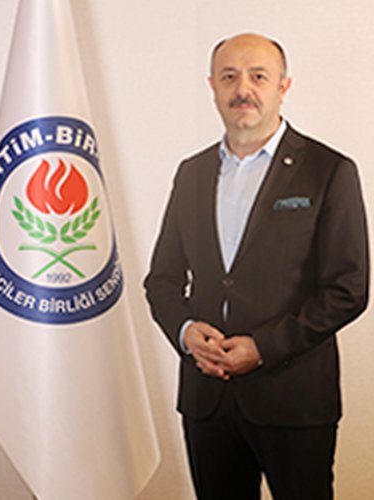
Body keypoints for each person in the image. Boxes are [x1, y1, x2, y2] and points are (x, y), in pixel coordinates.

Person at [144, 33, 369, 500]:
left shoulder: (328, 170)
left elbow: (348, 289)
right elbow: (162, 280)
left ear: (284, 86)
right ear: (212, 86)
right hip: (207, 401)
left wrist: (263, 347)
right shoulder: (192, 173)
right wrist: (186, 332)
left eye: (258, 76)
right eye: (229, 76)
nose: (242, 89)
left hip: (294, 399)